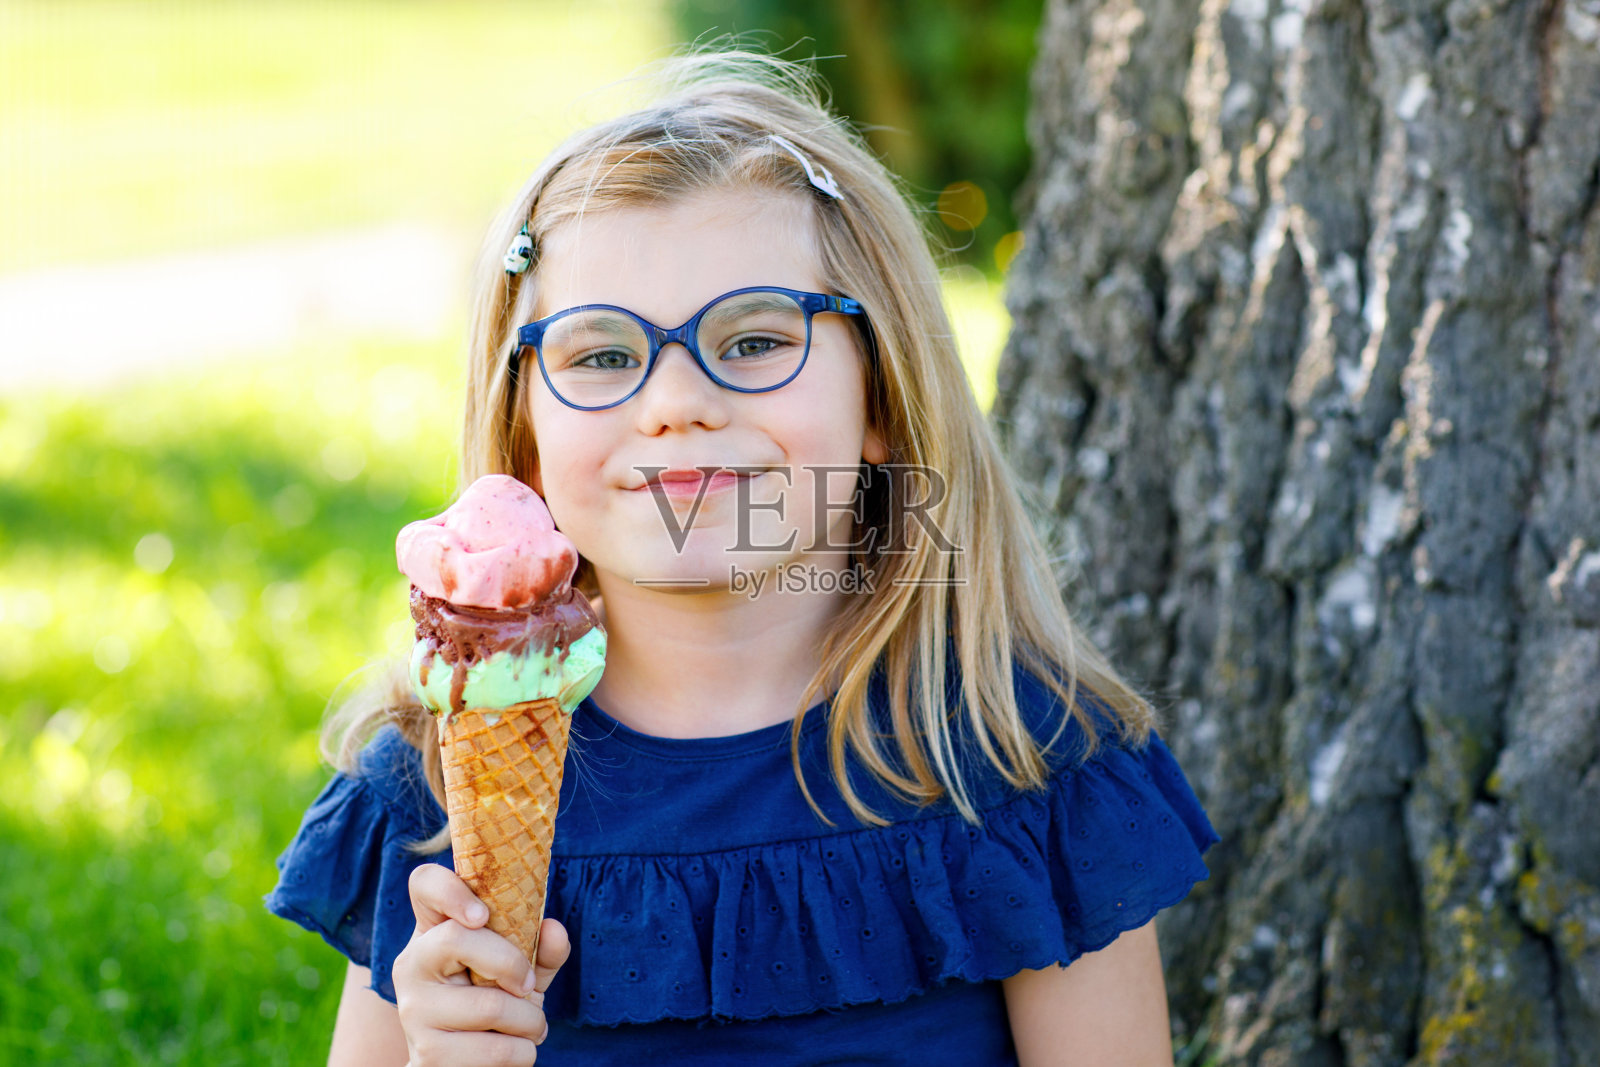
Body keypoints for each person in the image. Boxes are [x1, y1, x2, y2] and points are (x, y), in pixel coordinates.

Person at [266, 48, 1219, 1067]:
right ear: (525, 425)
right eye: (601, 355)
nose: (674, 401)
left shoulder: (1019, 759)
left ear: (882, 398)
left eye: (756, 341)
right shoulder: (430, 781)